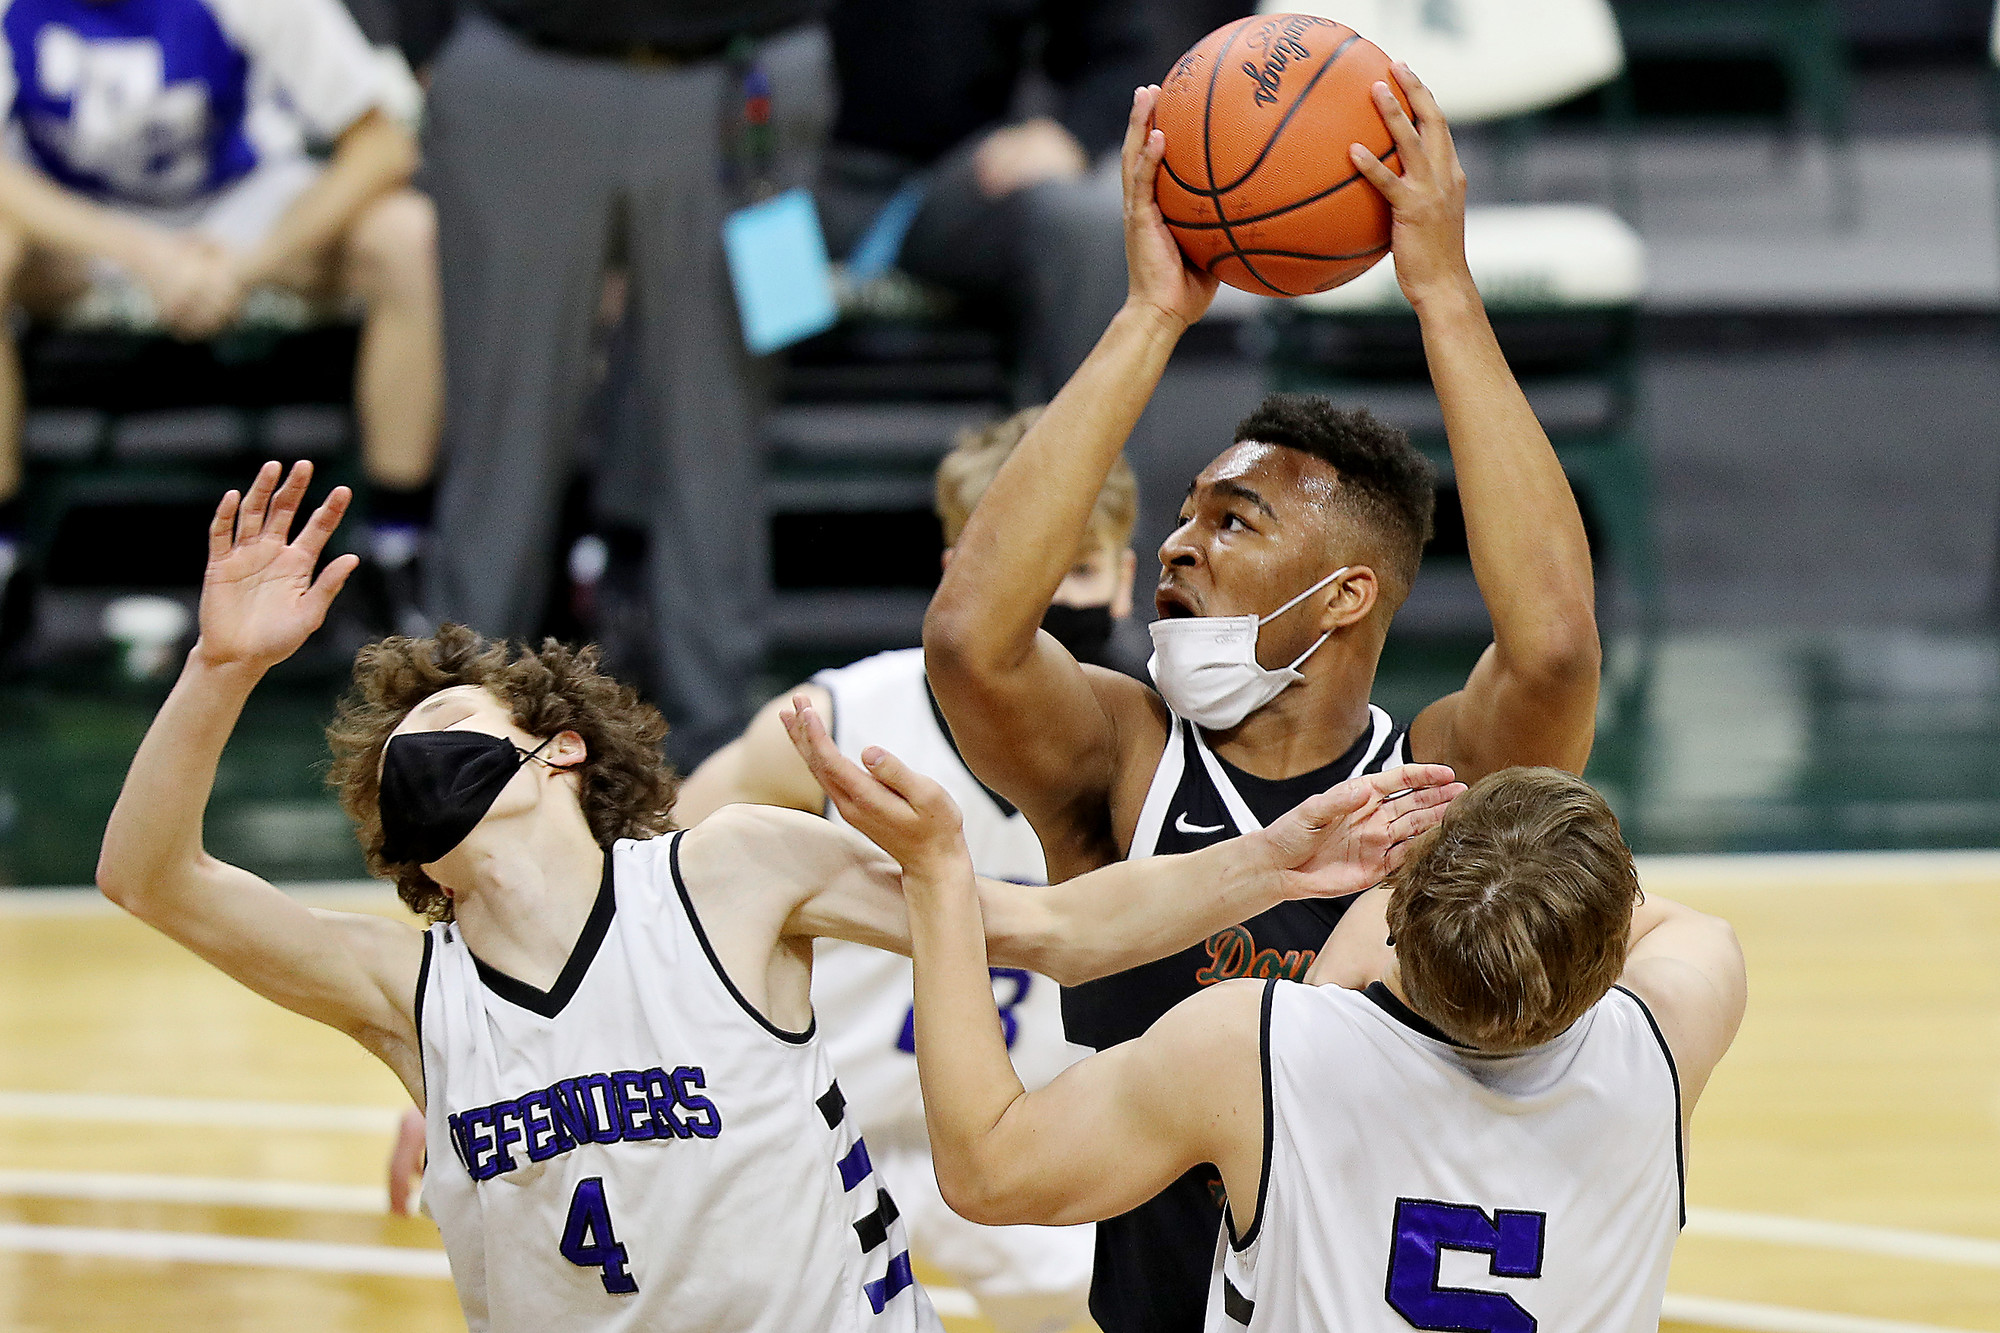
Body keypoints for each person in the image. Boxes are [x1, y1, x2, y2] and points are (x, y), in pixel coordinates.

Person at [97, 457, 1463, 1331]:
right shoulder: (406, 992)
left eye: (444, 716)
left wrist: (1276, 858)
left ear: (556, 744)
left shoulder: (725, 872)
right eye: (393, 753)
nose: (412, 752)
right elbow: (148, 876)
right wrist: (220, 670)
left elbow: (1050, 927)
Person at [923, 64, 1605, 1333]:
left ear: (1346, 595)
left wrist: (1443, 295)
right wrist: (1147, 317)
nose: (1177, 547)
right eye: (1181, 517)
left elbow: (1555, 645)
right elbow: (969, 638)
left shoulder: (1442, 781)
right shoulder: (1119, 759)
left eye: (1229, 520)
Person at [783, 713, 1745, 1333]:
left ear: (1401, 915)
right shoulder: (1667, 1043)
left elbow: (986, 1169)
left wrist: (941, 874)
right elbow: (1672, 926)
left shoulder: (1259, 1047)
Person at [667, 407, 1136, 1333]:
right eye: (1022, 572)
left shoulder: (1159, 748)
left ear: (1125, 578)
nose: (1047, 606)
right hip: (825, 1142)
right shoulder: (833, 723)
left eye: (1078, 570)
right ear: (956, 575)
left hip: (1036, 1148)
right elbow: (638, 883)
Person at [421, 0, 832, 767]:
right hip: (524, 64)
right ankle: (448, 736)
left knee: (718, 434)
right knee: (501, 433)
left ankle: (718, 752)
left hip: (745, 70)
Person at [0, 0, 440, 633]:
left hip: (241, 215)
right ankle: (4, 553)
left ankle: (400, 549)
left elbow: (384, 146)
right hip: (78, 228)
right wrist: (142, 255)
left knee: (405, 237)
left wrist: (247, 266)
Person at [816, 0, 1147, 400]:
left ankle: (1080, 458)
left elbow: (1124, 43)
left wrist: (1074, 133)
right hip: (810, 171)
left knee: (1093, 219)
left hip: (956, 177)